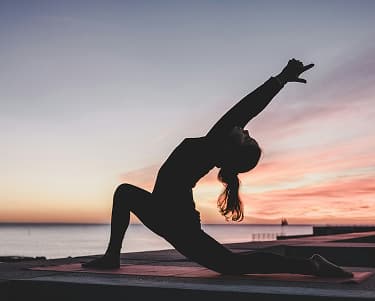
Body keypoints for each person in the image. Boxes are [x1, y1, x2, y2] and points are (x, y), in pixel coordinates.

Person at [82, 59, 352, 278]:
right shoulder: (212, 148)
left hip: (177, 222)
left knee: (231, 266)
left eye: (247, 137)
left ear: (232, 151)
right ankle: (112, 256)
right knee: (124, 192)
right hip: (163, 212)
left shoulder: (214, 145)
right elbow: (244, 114)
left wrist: (280, 80)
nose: (245, 130)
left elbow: (246, 109)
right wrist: (279, 80)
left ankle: (312, 265)